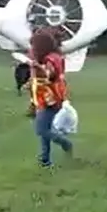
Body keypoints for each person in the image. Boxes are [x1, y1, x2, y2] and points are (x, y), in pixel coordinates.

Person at [28, 29, 73, 166]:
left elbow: (51, 75)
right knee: (44, 129)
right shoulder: (53, 56)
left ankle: (65, 143)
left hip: (50, 98)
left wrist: (37, 67)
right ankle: (45, 160)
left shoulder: (50, 59)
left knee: (42, 130)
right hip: (44, 97)